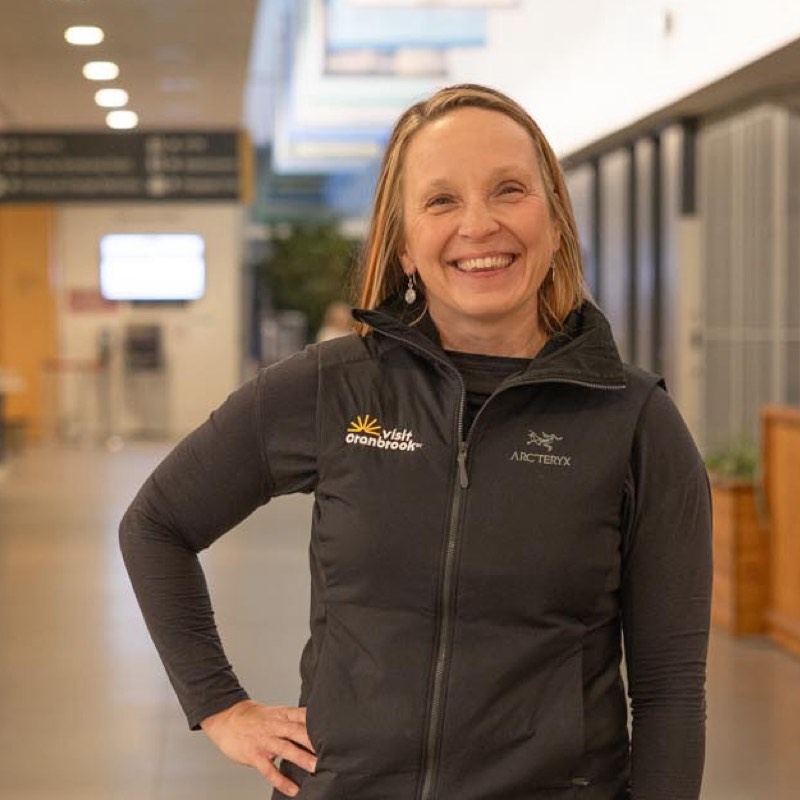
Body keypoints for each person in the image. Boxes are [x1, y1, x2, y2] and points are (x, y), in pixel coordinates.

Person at [120, 84, 712, 800]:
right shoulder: (332, 387)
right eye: (441, 201)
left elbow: (669, 689)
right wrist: (219, 704)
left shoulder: (636, 422)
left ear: (555, 223)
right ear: (402, 243)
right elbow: (157, 524)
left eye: (509, 190)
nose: (479, 224)